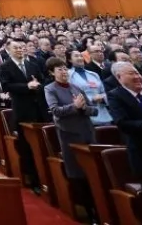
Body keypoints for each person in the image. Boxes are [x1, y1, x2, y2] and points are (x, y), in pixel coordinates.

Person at [44, 56, 99, 219]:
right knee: (78, 174)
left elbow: (93, 110)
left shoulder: (76, 87)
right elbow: (55, 111)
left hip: (87, 132)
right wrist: (74, 107)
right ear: (52, 73)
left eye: (65, 68)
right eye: (59, 69)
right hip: (70, 136)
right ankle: (87, 210)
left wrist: (82, 108)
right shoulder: (50, 89)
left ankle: (98, 206)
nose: (63, 72)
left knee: (93, 172)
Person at [0, 38, 48, 192]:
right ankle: (33, 180)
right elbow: (6, 85)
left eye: (21, 47)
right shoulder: (5, 66)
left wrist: (38, 85)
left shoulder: (32, 65)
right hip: (22, 110)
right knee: (27, 147)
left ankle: (45, 179)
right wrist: (26, 86)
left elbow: (42, 82)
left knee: (42, 145)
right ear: (9, 50)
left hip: (38, 109)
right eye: (16, 48)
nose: (20, 50)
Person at [108, 61, 142, 181]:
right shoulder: (116, 96)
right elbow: (122, 124)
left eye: (137, 73)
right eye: (131, 73)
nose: (137, 77)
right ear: (119, 77)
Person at [67, 49, 111, 125]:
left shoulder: (93, 74)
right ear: (70, 60)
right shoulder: (68, 75)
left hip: (102, 114)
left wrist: (103, 98)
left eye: (81, 56)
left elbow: (103, 92)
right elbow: (69, 95)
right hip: (84, 115)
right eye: (76, 56)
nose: (80, 58)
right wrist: (91, 100)